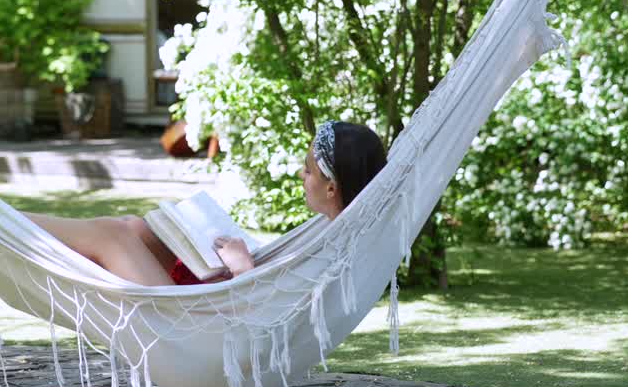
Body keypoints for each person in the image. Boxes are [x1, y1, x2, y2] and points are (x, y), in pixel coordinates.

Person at [25, 121, 387, 287]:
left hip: (204, 326)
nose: (300, 175)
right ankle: (9, 228)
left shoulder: (340, 250)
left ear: (331, 188)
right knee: (134, 227)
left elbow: (279, 317)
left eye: (308, 171)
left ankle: (5, 223)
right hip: (218, 299)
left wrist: (244, 269)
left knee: (112, 237)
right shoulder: (335, 229)